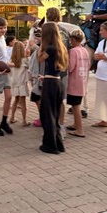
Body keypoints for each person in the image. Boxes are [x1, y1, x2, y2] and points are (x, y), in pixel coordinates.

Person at [38, 21, 68, 155]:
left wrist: (39, 45)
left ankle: (50, 145)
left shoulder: (49, 48)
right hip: (57, 81)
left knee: (47, 115)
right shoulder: (61, 47)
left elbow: (39, 59)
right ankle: (58, 144)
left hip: (50, 84)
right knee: (54, 115)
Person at [45, 7, 70, 136]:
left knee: (49, 101)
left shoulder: (47, 30)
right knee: (60, 101)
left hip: (49, 71)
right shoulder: (65, 31)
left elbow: (43, 52)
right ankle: (60, 126)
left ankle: (52, 127)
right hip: (63, 69)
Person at [66, 29, 90, 138]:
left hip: (74, 82)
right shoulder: (85, 50)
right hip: (82, 81)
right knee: (76, 104)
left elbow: (70, 67)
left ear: (73, 39)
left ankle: (80, 130)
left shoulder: (73, 51)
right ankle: (76, 124)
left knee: (75, 106)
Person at [8, 41, 30, 127]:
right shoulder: (24, 60)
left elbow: (10, 72)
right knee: (23, 102)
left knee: (16, 100)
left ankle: (12, 117)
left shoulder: (11, 60)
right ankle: (24, 120)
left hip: (14, 83)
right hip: (22, 83)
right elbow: (30, 67)